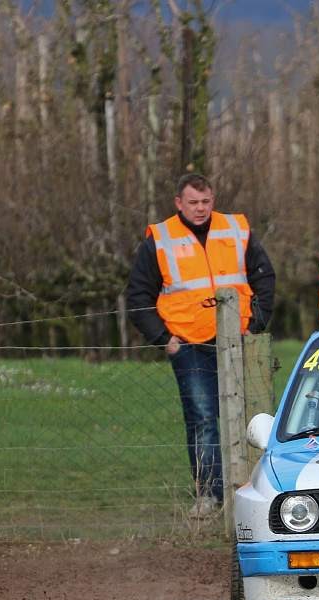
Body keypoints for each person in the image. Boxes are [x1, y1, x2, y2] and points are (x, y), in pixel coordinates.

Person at [126, 172, 277, 518]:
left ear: (213, 199)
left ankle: (254, 491)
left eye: (206, 202)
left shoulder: (236, 229)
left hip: (238, 339)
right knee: (204, 418)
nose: (200, 209)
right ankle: (209, 496)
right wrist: (163, 338)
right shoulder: (160, 239)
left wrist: (257, 322)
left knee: (253, 418)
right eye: (193, 202)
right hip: (189, 343)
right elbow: (137, 295)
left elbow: (263, 275)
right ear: (179, 203)